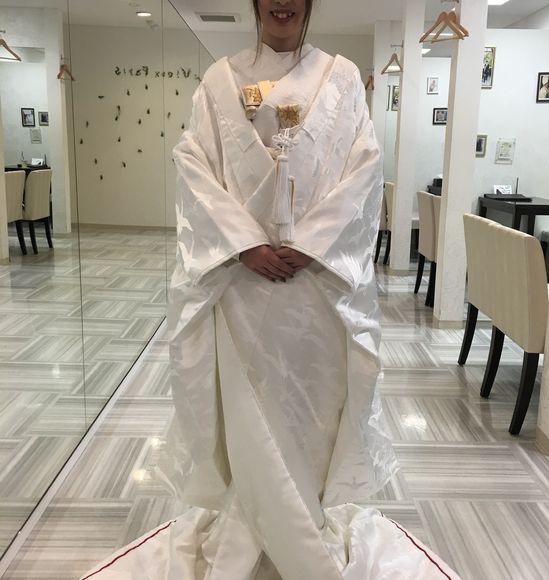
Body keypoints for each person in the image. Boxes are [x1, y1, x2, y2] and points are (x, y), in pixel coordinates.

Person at [81, 1, 461, 578]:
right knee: (248, 406)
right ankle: (247, 528)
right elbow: (194, 166)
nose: (283, 4)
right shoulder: (219, 81)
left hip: (315, 285)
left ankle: (303, 519)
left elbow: (364, 168)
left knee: (310, 406)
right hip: (241, 283)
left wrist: (311, 242)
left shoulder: (341, 78)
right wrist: (244, 244)